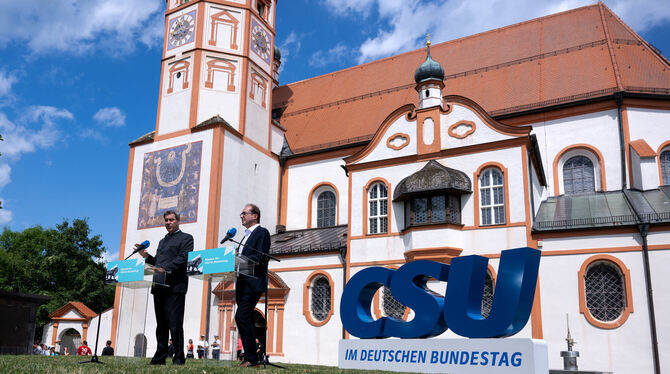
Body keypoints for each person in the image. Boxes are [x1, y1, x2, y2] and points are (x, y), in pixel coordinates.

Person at [136, 210, 193, 365]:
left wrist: (165, 268)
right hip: (159, 286)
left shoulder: (186, 238)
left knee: (175, 324)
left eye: (171, 220)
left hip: (175, 287)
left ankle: (179, 357)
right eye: (166, 220)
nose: (168, 222)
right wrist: (146, 256)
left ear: (178, 221)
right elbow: (157, 264)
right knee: (161, 325)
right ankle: (160, 356)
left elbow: (183, 258)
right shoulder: (162, 241)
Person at [235, 204, 271, 367]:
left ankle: (252, 358)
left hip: (253, 282)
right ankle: (250, 357)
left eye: (244, 213)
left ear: (255, 215)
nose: (241, 216)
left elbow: (261, 255)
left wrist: (242, 260)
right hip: (242, 281)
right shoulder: (244, 237)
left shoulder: (261, 232)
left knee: (242, 316)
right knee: (243, 317)